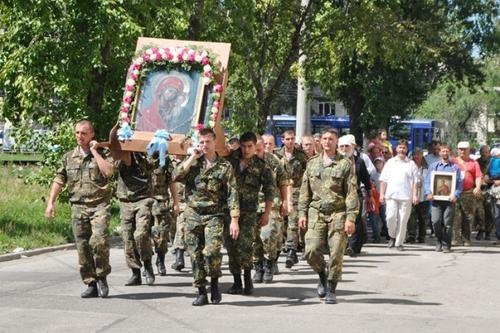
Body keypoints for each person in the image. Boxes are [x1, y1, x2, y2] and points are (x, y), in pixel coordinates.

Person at [45, 120, 114, 298]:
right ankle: (90, 283)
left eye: (83, 133)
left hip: (99, 205)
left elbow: (108, 172)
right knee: (83, 247)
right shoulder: (69, 157)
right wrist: (50, 203)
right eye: (77, 133)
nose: (79, 137)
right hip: (78, 207)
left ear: (91, 135)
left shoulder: (103, 153)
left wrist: (94, 151)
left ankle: (102, 276)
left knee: (98, 242)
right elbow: (59, 179)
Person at [173, 128, 240, 306]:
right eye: (201, 142)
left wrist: (234, 219)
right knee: (195, 254)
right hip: (193, 214)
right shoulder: (194, 163)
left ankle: (215, 284)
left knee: (211, 252)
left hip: (214, 215)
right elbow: (175, 176)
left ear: (214, 142)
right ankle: (201, 291)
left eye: (207, 142)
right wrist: (191, 158)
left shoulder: (225, 166)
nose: (204, 145)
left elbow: (232, 193)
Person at [298, 128, 358, 304]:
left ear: (336, 142)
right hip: (316, 212)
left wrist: (351, 218)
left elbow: (352, 193)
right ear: (320, 141)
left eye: (331, 139)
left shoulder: (345, 164)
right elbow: (304, 191)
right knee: (311, 250)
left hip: (338, 212)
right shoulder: (312, 163)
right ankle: (322, 274)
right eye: (324, 138)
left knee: (337, 251)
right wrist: (302, 213)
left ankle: (331, 287)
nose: (327, 142)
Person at [225, 132, 274, 295]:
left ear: (255, 146)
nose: (246, 150)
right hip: (230, 212)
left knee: (246, 246)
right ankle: (236, 281)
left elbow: (269, 191)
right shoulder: (230, 161)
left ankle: (247, 280)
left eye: (250, 147)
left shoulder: (261, 166)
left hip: (250, 213)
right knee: (231, 247)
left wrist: (266, 213)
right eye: (244, 146)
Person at [252, 135, 290, 283]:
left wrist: (286, 202)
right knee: (254, 240)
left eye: (259, 149)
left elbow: (284, 182)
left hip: (272, 204)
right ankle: (258, 268)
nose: (255, 152)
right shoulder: (245, 161)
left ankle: (269, 264)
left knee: (268, 236)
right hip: (252, 205)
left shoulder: (273, 161)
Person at [116, 152, 156, 286]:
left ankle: (148, 264)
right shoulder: (118, 156)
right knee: (127, 237)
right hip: (125, 201)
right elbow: (112, 167)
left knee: (141, 233)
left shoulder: (145, 156)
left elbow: (151, 166)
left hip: (143, 199)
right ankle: (135, 272)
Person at [275, 130, 308, 268]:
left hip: (297, 192)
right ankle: (276, 253)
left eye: (292, 138)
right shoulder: (276, 154)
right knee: (281, 224)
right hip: (280, 192)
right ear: (282, 140)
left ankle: (291, 251)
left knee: (293, 223)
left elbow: (307, 174)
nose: (290, 141)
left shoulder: (301, 155)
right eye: (287, 139)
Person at [379, 139, 418, 251]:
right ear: (396, 149)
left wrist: (415, 195)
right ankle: (392, 236)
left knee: (403, 220)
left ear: (407, 150)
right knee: (390, 218)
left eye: (404, 148)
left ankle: (399, 243)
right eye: (400, 147)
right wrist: (382, 194)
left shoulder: (411, 164)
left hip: (406, 196)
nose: (401, 150)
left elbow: (416, 181)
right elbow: (383, 180)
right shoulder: (390, 163)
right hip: (391, 195)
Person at [338, 135, 372, 256]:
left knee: (355, 220)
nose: (344, 148)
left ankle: (352, 246)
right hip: (338, 195)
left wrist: (370, 195)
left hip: (355, 194)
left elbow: (366, 180)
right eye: (341, 146)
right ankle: (342, 244)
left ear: (352, 147)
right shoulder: (335, 161)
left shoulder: (359, 162)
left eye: (346, 146)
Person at [425, 144, 462, 252]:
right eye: (443, 151)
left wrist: (455, 195)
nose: (445, 153)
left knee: (448, 224)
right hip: (436, 200)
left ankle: (446, 245)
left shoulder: (455, 168)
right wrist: (429, 193)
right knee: (435, 221)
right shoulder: (433, 166)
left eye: (447, 151)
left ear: (449, 152)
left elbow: (459, 184)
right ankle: (438, 241)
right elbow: (428, 181)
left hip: (449, 201)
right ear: (440, 153)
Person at [149, 154, 179, 276]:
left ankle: (160, 260)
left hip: (160, 201)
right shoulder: (137, 155)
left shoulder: (164, 159)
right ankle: (147, 265)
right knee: (142, 236)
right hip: (141, 200)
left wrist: (176, 202)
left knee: (161, 234)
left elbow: (172, 181)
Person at [452, 141, 483, 246]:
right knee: (455, 216)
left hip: (468, 193)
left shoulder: (474, 163)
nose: (462, 151)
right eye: (460, 149)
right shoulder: (453, 162)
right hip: (455, 193)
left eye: (465, 149)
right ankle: (455, 239)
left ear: (469, 150)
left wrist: (478, 187)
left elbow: (478, 176)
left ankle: (466, 239)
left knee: (468, 217)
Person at [406, 148, 429, 244]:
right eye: (415, 154)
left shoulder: (427, 168)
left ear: (422, 155)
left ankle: (422, 236)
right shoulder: (409, 166)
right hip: (411, 195)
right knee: (411, 217)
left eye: (419, 154)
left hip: (423, 196)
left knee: (423, 218)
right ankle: (411, 236)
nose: (417, 157)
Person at [475, 145, 493, 240]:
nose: (484, 154)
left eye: (486, 152)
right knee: (479, 211)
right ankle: (480, 231)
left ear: (489, 153)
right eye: (483, 152)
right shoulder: (477, 162)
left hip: (490, 189)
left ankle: (488, 232)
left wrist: (489, 180)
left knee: (489, 211)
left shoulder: (493, 162)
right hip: (479, 189)